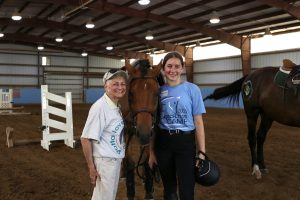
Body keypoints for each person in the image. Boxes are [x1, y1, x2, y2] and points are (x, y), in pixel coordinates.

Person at [149, 51, 206, 200]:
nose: (172, 70)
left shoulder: (193, 89)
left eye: (176, 66)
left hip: (185, 144)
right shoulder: (159, 91)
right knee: (169, 190)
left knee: (187, 190)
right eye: (169, 66)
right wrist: (151, 152)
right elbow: (154, 125)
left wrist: (202, 152)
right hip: (163, 143)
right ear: (163, 69)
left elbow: (198, 122)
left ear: (182, 69)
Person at [81, 68, 128, 200]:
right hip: (105, 162)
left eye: (122, 84)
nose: (120, 87)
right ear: (105, 86)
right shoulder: (100, 107)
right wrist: (91, 167)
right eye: (115, 84)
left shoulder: (115, 106)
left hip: (113, 161)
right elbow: (85, 139)